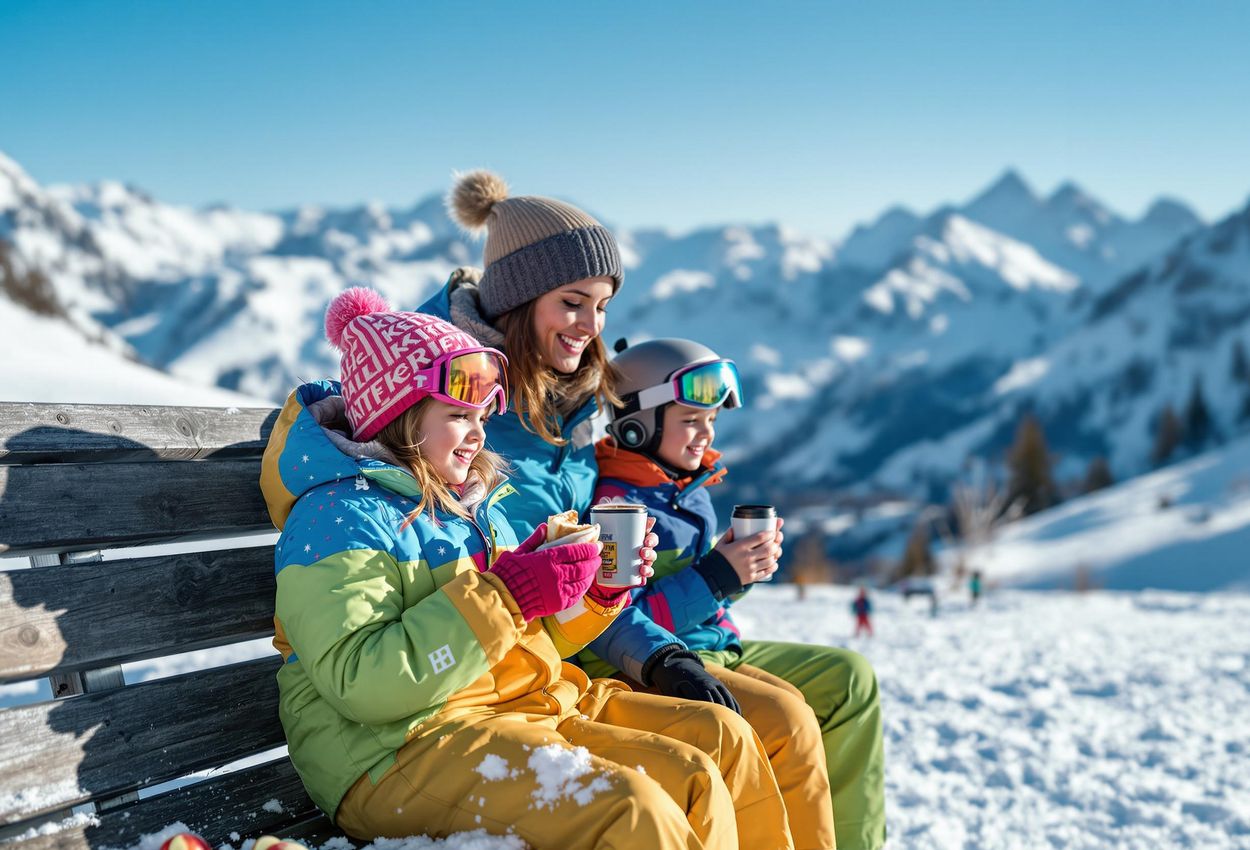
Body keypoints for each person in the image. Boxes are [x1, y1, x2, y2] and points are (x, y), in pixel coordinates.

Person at [260, 290, 791, 850]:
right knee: (635, 812)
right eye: (459, 415)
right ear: (400, 415)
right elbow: (361, 683)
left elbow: (531, 637)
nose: (479, 433)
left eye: (483, 415)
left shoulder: (472, 504)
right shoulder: (338, 519)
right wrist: (507, 594)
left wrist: (593, 595)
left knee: (716, 746)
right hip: (391, 753)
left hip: (511, 709)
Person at [420, 171, 794, 847]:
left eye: (601, 307)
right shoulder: (456, 420)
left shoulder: (565, 418)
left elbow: (572, 594)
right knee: (722, 749)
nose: (589, 327)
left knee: (749, 730)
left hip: (549, 666)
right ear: (518, 297)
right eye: (572, 302)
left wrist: (652, 650)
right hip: (494, 690)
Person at [581, 337, 887, 850]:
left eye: (712, 421)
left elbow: (697, 596)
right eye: (691, 420)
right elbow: (611, 619)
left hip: (714, 644)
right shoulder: (616, 506)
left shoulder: (682, 490)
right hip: (657, 664)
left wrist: (736, 573)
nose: (706, 434)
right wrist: (717, 577)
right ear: (637, 421)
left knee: (850, 678)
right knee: (788, 718)